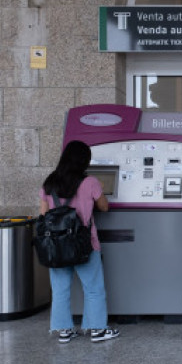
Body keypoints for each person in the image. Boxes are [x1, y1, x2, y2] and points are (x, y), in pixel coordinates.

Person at [40, 140, 119, 344]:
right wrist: (100, 189)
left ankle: (64, 331)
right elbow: (104, 207)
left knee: (60, 289)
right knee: (93, 288)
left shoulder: (49, 183)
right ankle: (97, 330)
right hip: (84, 243)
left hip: (56, 245)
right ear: (84, 161)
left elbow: (43, 214)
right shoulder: (90, 182)